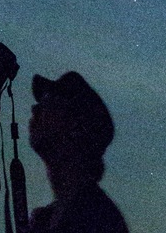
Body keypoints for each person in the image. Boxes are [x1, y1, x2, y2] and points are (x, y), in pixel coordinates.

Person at [27, 70, 129, 233]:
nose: (35, 109)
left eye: (49, 100)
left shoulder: (99, 218)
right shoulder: (44, 221)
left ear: (75, 126)